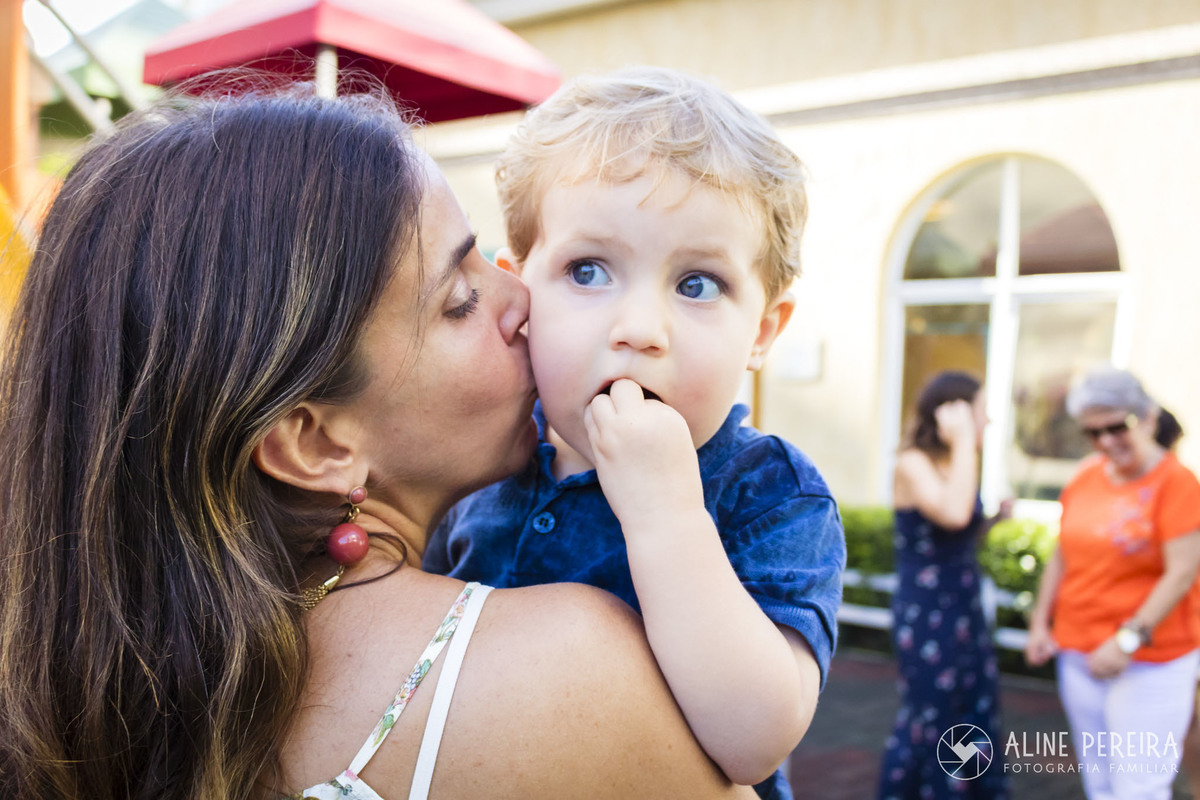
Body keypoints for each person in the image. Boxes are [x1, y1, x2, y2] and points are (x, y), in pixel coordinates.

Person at [0, 87, 761, 800]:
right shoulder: (568, 675)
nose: (523, 299)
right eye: (460, 299)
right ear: (315, 443)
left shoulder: (97, 687)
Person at [424, 67, 845, 800]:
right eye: (588, 271)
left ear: (762, 331)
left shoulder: (769, 494)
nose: (640, 329)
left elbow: (753, 738)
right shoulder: (479, 457)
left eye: (697, 284)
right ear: (521, 292)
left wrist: (667, 515)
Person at [1025, 367, 1200, 799]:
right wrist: (1040, 623)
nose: (1105, 441)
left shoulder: (1177, 483)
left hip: (1151, 660)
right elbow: (1063, 553)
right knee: (1100, 783)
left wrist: (1126, 640)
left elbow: (1182, 572)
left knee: (1139, 788)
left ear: (1148, 418)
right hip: (1079, 653)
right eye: (1093, 432)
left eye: (1116, 427)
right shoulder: (1087, 476)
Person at [876, 371, 1009, 799]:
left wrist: (992, 522)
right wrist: (965, 442)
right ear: (954, 412)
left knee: (971, 706)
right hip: (928, 610)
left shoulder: (956, 460)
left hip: (964, 603)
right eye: (981, 411)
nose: (987, 421)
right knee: (935, 711)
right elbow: (953, 514)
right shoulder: (913, 462)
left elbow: (955, 535)